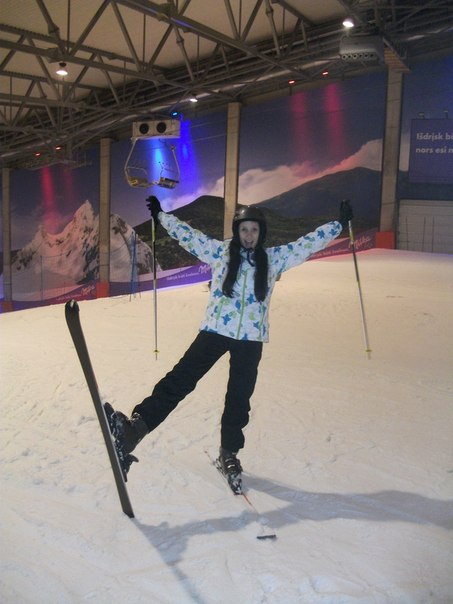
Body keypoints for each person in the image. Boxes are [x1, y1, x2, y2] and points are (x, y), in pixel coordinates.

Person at [105, 197, 353, 492]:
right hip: (215, 331)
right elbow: (189, 236)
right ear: (237, 231)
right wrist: (161, 216)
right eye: (244, 229)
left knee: (239, 399)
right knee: (180, 380)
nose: (249, 235)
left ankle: (229, 453)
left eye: (254, 230)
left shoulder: (273, 259)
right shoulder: (221, 252)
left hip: (250, 339)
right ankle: (135, 429)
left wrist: (338, 225)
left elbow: (306, 244)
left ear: (261, 233)